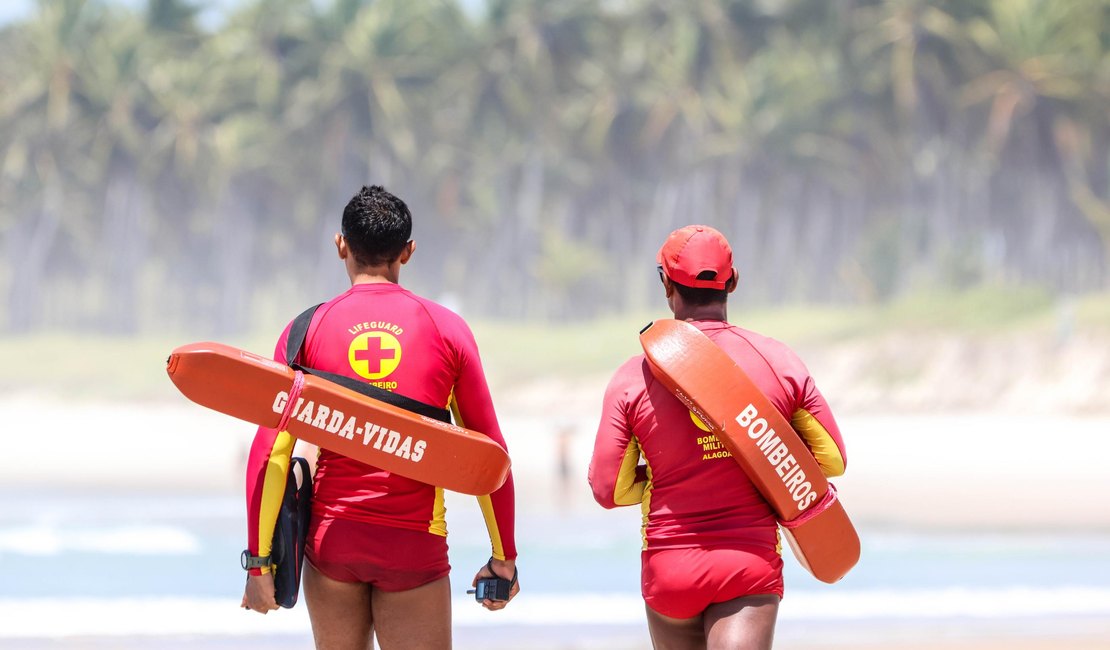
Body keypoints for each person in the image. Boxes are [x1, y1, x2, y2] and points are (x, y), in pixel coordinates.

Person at [241, 185, 519, 649]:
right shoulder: (446, 329)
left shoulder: (305, 330)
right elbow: (488, 454)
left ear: (341, 246)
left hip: (333, 543)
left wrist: (259, 565)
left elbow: (271, 449)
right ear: (407, 253)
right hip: (413, 545)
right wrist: (503, 557)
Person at [588, 225, 846, 650]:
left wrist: (665, 473)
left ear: (666, 284)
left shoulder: (634, 377)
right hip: (747, 563)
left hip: (670, 567)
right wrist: (754, 453)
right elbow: (832, 459)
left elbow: (606, 489)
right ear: (733, 282)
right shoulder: (776, 360)